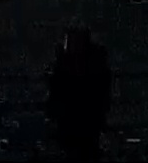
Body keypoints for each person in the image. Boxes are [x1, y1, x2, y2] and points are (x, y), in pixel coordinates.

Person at [47, 24, 112, 160]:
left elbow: (55, 94)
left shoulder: (66, 65)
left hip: (75, 123)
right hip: (87, 123)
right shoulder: (95, 64)